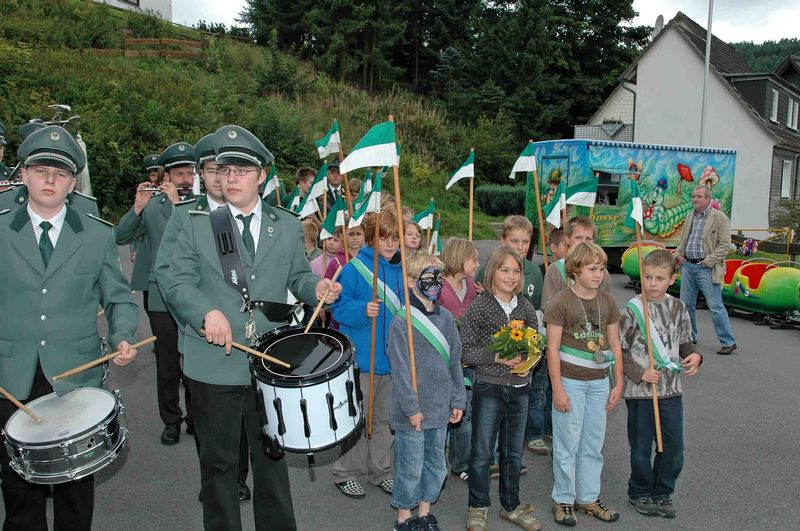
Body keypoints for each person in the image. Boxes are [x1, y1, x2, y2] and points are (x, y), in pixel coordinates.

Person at [163, 124, 341, 530]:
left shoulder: (287, 223)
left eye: (241, 171)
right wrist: (204, 313)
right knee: (218, 466)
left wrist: (316, 288)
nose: (230, 178)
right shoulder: (197, 222)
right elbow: (176, 282)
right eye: (225, 170)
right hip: (213, 364)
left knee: (272, 462)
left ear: (261, 176)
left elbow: (298, 276)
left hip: (270, 362)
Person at [0, 125, 139, 530]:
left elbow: (118, 299)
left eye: (59, 174)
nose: (49, 180)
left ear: (72, 183)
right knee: (18, 483)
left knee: (75, 485)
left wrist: (123, 335)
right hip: (12, 373)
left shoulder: (97, 234)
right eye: (41, 171)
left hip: (75, 375)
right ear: (24, 175)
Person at [155, 133, 253, 502]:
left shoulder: (251, 213)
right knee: (205, 418)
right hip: (201, 334)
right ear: (201, 174)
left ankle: (238, 477)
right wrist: (193, 320)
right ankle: (213, 478)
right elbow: (168, 273)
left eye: (224, 169)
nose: (218, 177)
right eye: (211, 170)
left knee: (246, 413)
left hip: (245, 333)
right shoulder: (186, 215)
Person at [116, 141, 197, 445]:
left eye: (190, 173)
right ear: (167, 177)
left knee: (196, 358)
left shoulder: (202, 204)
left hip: (195, 292)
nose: (186, 179)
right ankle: (171, 420)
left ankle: (196, 416)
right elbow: (121, 235)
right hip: (161, 293)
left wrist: (178, 204)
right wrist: (137, 206)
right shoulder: (151, 205)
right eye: (179, 174)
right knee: (167, 360)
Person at [462, 246, 542, 531]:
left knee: (513, 454)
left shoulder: (526, 307)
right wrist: (496, 357)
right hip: (489, 388)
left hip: (520, 389)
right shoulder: (480, 306)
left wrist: (529, 361)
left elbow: (536, 345)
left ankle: (511, 506)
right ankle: (477, 507)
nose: (511, 276)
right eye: (504, 270)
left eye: (516, 271)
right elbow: (466, 350)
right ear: (491, 272)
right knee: (482, 452)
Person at [619, 250, 703, 519]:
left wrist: (695, 355)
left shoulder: (678, 307)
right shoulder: (632, 310)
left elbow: (685, 341)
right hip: (640, 391)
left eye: (659, 278)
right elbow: (619, 349)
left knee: (673, 447)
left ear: (672, 279)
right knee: (641, 446)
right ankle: (640, 491)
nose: (652, 283)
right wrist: (640, 372)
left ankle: (662, 491)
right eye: (647, 277)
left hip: (671, 390)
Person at [544, 242, 623, 526]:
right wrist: (558, 389)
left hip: (599, 383)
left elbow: (614, 343)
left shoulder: (608, 301)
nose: (599, 274)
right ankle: (564, 498)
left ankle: (588, 497)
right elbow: (552, 348)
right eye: (592, 269)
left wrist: (618, 382)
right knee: (567, 443)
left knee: (593, 443)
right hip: (570, 383)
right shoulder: (561, 302)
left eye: (601, 268)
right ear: (575, 270)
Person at [388, 251, 466, 531]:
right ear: (411, 281)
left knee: (435, 464)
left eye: (438, 277)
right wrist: (412, 408)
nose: (434, 283)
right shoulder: (402, 321)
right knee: (410, 466)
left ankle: (424, 512)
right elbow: (400, 370)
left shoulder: (447, 319)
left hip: (440, 407)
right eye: (427, 277)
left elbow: (455, 361)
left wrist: (458, 399)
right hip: (414, 411)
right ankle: (404, 517)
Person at [331, 208, 404, 499]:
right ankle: (346, 472)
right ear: (371, 238)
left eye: (395, 239)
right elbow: (337, 309)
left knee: (385, 419)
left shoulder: (403, 271)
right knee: (357, 419)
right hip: (362, 360)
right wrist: (362, 310)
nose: (390, 244)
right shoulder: (353, 269)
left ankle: (380, 470)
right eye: (384, 238)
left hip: (392, 361)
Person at [673, 185, 737, 355]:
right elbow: (683, 240)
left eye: (699, 197)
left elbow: (725, 245)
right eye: (693, 196)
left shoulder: (720, 218)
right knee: (686, 305)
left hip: (706, 268)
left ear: (708, 199)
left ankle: (728, 342)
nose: (695, 199)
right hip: (688, 266)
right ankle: (689, 337)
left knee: (715, 306)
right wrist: (678, 254)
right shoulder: (690, 216)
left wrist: (709, 261)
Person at [438, 237, 479, 482]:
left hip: (467, 361)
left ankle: (460, 462)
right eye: (473, 259)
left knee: (464, 410)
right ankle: (436, 465)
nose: (477, 264)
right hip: (443, 361)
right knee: (442, 411)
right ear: (459, 259)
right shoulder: (439, 287)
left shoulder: (471, 286)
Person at [525, 227, 566, 457]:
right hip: (543, 336)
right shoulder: (545, 271)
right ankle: (534, 432)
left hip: (564, 343)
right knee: (539, 389)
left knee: (554, 388)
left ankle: (551, 427)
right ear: (553, 247)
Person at [541, 216, 612, 310]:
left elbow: (607, 306)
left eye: (588, 238)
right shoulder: (555, 270)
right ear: (567, 239)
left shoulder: (601, 272)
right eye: (578, 238)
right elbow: (548, 307)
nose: (583, 242)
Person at [477, 215, 543, 311]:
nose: (520, 247)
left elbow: (536, 308)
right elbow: (476, 306)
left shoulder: (534, 271)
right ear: (503, 241)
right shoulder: (487, 271)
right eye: (514, 241)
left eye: (525, 242)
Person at [129, 154, 162, 310]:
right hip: (147, 252)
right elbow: (136, 226)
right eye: (152, 174)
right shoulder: (145, 196)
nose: (155, 179)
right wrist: (133, 250)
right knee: (148, 302)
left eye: (158, 174)